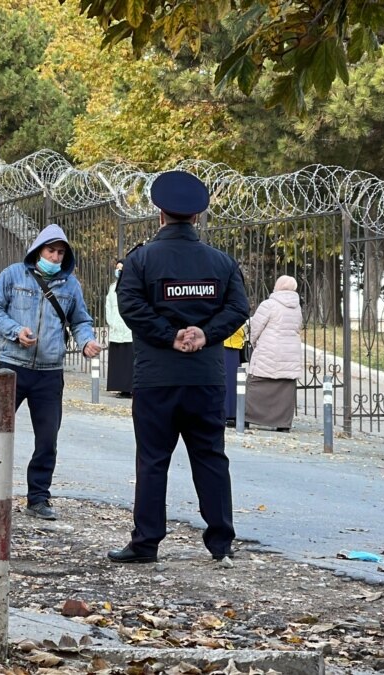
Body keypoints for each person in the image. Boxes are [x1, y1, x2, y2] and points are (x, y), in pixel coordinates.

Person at [108, 171, 249, 566]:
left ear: (160, 214)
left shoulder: (141, 260)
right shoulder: (220, 262)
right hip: (205, 376)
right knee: (210, 456)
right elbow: (238, 308)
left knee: (153, 459)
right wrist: (205, 334)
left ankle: (146, 542)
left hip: (157, 376)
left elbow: (130, 307)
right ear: (197, 217)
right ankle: (220, 542)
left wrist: (169, 336)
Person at [0, 223, 101, 521]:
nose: (55, 257)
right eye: (51, 251)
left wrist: (87, 340)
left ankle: (38, 497)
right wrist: (14, 331)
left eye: (61, 253)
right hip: (12, 366)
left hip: (49, 372)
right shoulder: (13, 275)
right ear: (38, 250)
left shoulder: (69, 284)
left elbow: (80, 320)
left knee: (47, 437)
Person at [244, 275, 304, 432]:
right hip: (290, 352)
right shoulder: (297, 307)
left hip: (268, 350)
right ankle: (283, 423)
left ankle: (250, 417)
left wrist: (253, 342)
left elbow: (255, 327)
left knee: (257, 382)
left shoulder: (269, 305)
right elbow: (298, 327)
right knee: (285, 386)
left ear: (277, 286)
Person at [105, 259, 133, 398]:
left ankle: (130, 388)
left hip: (129, 330)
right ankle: (120, 387)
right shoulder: (112, 287)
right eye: (117, 268)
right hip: (116, 328)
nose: (118, 271)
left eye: (121, 269)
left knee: (129, 359)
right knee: (119, 360)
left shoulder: (133, 286)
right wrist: (111, 321)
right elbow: (108, 306)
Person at [223, 325, 247, 424]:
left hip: (230, 344)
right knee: (232, 381)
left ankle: (229, 412)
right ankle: (230, 413)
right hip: (231, 344)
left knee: (231, 381)